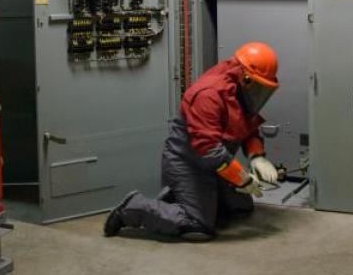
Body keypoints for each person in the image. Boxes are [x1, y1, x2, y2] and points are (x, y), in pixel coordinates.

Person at [104, 42, 282, 241]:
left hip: (216, 165)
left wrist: (257, 156)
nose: (261, 93)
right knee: (198, 224)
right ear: (246, 77)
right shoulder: (209, 95)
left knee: (241, 206)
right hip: (187, 163)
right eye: (259, 85)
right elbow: (209, 150)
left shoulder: (242, 90)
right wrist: (242, 177)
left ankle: (191, 199)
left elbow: (248, 126)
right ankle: (132, 207)